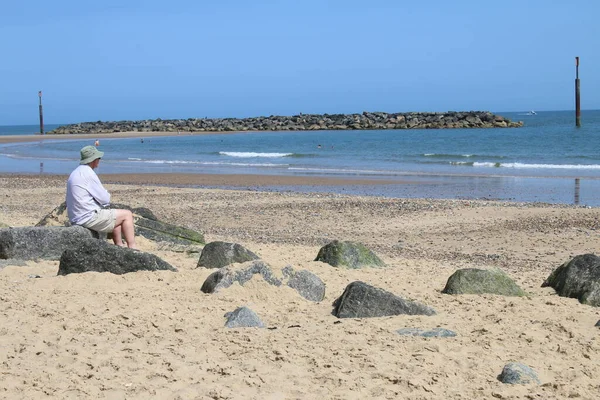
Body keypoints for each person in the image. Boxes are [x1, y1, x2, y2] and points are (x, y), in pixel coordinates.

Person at [66, 145, 137, 249]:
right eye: (98, 158)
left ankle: (119, 246)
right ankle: (133, 248)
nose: (99, 160)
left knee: (114, 217)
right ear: (93, 160)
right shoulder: (88, 173)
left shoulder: (76, 172)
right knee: (127, 215)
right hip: (87, 217)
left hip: (76, 216)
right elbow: (105, 199)